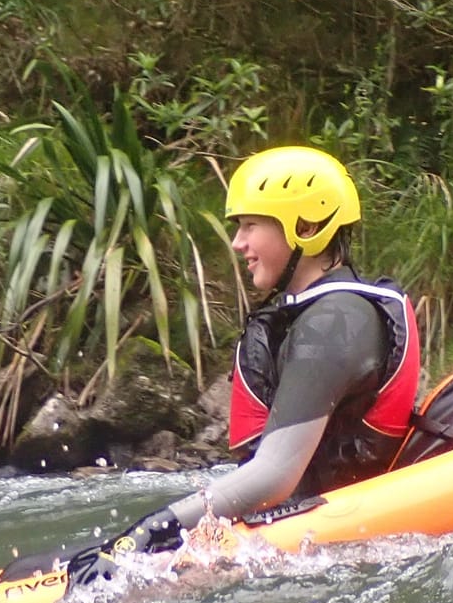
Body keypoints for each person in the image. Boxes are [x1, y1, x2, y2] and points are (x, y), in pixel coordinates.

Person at [74, 146, 419, 579]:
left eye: (251, 226)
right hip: (302, 537)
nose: (238, 243)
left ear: (307, 227)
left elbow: (275, 474)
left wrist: (148, 531)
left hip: (329, 544)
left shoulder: (334, 324)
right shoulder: (317, 315)